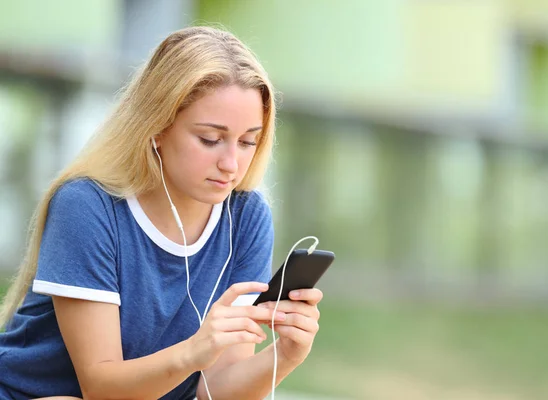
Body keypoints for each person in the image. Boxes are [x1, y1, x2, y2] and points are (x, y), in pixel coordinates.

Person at [0, 26, 323, 400]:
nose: (232, 164)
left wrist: (284, 356)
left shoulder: (246, 218)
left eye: (248, 141)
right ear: (156, 128)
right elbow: (101, 389)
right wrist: (194, 351)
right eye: (210, 139)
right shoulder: (88, 207)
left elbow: (213, 391)